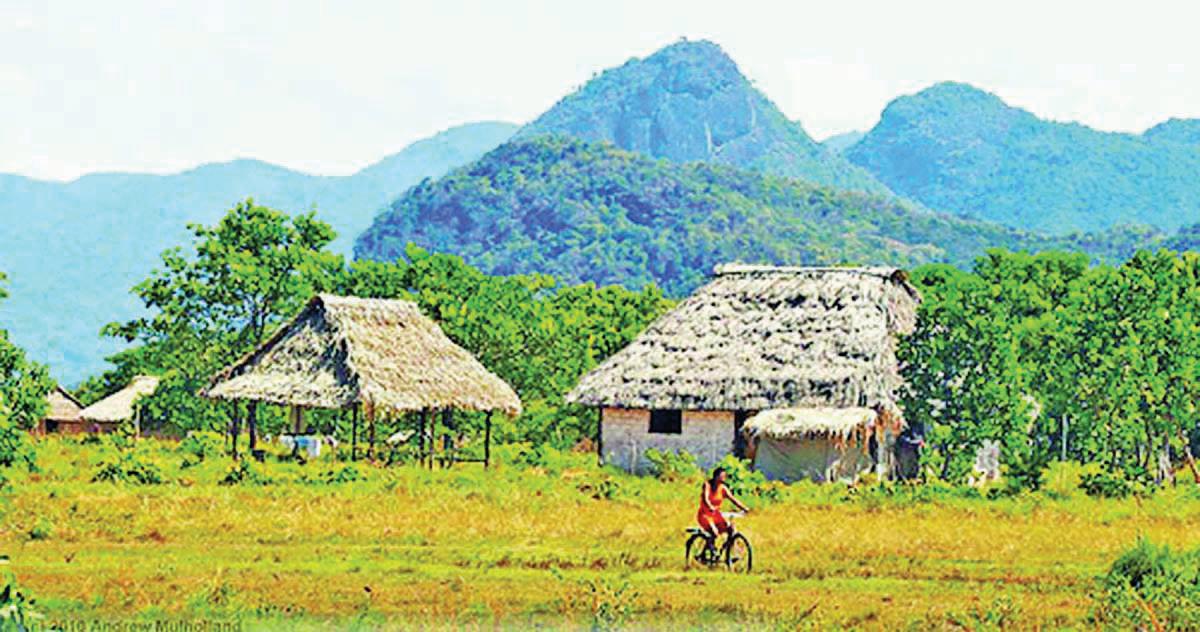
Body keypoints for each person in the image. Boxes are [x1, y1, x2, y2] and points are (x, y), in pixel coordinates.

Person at [696, 467, 749, 544]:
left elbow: (733, 499)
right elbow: (706, 498)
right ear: (716, 476)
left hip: (716, 515)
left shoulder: (723, 488)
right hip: (705, 515)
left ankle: (729, 547)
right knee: (714, 532)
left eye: (725, 476)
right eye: (722, 476)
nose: (724, 478)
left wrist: (744, 508)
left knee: (730, 528)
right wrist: (710, 506)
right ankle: (709, 548)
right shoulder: (707, 485)